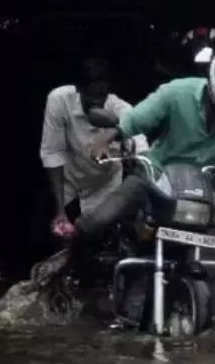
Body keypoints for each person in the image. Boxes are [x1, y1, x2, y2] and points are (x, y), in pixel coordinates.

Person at [74, 39, 215, 329]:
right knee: (95, 222)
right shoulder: (177, 92)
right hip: (156, 177)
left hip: (207, 192)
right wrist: (110, 136)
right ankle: (76, 286)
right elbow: (135, 119)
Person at [39, 57, 145, 238]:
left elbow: (140, 142)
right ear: (78, 89)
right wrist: (60, 211)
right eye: (90, 97)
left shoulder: (120, 109)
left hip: (105, 188)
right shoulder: (59, 100)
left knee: (99, 241)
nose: (96, 102)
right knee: (56, 240)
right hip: (69, 185)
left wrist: (112, 132)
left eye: (101, 97)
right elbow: (53, 153)